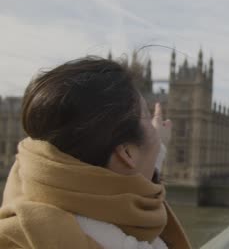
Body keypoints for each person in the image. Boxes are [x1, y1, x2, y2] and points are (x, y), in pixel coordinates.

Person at [0, 57, 192, 249]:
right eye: (147, 116)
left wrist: (154, 146)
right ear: (126, 152)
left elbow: (122, 170)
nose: (155, 129)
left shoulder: (27, 187)